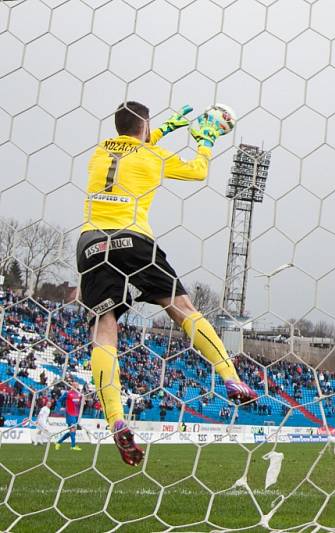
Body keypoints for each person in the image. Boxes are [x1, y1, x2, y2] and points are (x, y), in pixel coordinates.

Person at [76, 102, 257, 466]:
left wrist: (161, 131)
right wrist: (204, 141)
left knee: (104, 329)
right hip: (133, 238)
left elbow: (131, 148)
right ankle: (231, 377)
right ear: (145, 127)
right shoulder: (153, 156)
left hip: (91, 244)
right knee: (182, 309)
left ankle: (115, 418)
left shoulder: (99, 151)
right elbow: (196, 171)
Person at [55, 379, 83, 451]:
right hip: (69, 413)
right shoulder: (68, 393)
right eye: (75, 385)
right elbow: (59, 400)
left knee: (72, 431)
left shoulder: (79, 394)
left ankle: (58, 442)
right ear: (72, 385)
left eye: (77, 385)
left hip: (76, 414)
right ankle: (73, 446)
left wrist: (83, 403)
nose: (76, 386)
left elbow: (79, 403)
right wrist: (60, 407)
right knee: (72, 429)